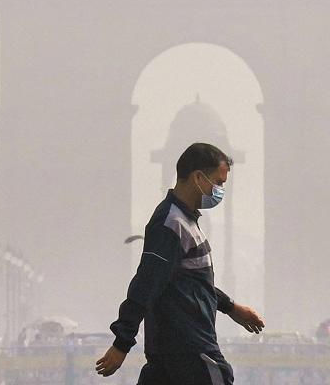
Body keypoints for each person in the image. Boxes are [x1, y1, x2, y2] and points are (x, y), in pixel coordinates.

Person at [95, 143, 265, 384]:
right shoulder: (171, 223)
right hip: (191, 349)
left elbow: (188, 282)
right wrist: (122, 341)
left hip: (168, 355)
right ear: (198, 177)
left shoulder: (186, 222)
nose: (220, 190)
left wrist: (231, 307)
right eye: (218, 182)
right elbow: (147, 283)